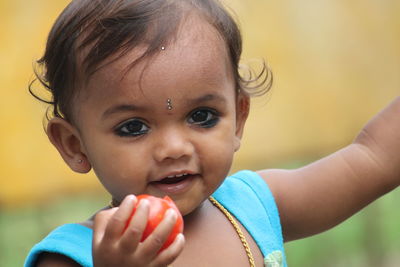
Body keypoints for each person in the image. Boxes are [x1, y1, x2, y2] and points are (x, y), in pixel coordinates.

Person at [24, 0, 400, 266]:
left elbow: (373, 158)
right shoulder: (71, 255)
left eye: (201, 116)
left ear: (238, 117)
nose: (173, 148)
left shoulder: (252, 207)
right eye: (133, 127)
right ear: (75, 145)